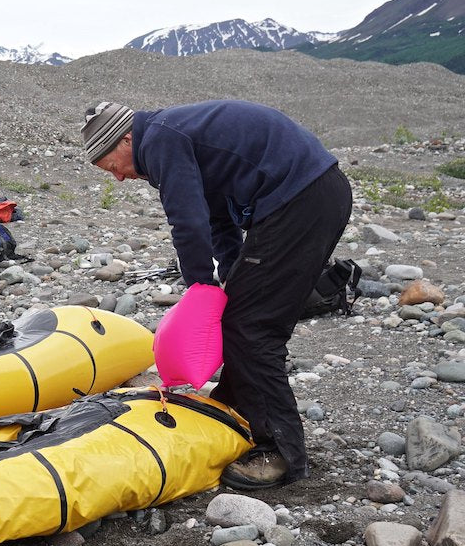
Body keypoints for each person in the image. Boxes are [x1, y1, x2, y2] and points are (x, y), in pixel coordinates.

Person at [82, 99, 352, 489]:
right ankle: (237, 411)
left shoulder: (159, 139)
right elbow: (216, 216)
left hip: (300, 199)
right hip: (306, 196)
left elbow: (187, 219)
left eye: (112, 167)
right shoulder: (171, 133)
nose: (119, 178)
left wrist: (198, 287)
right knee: (241, 312)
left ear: (125, 139)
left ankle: (281, 451)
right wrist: (227, 277)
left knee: (253, 328)